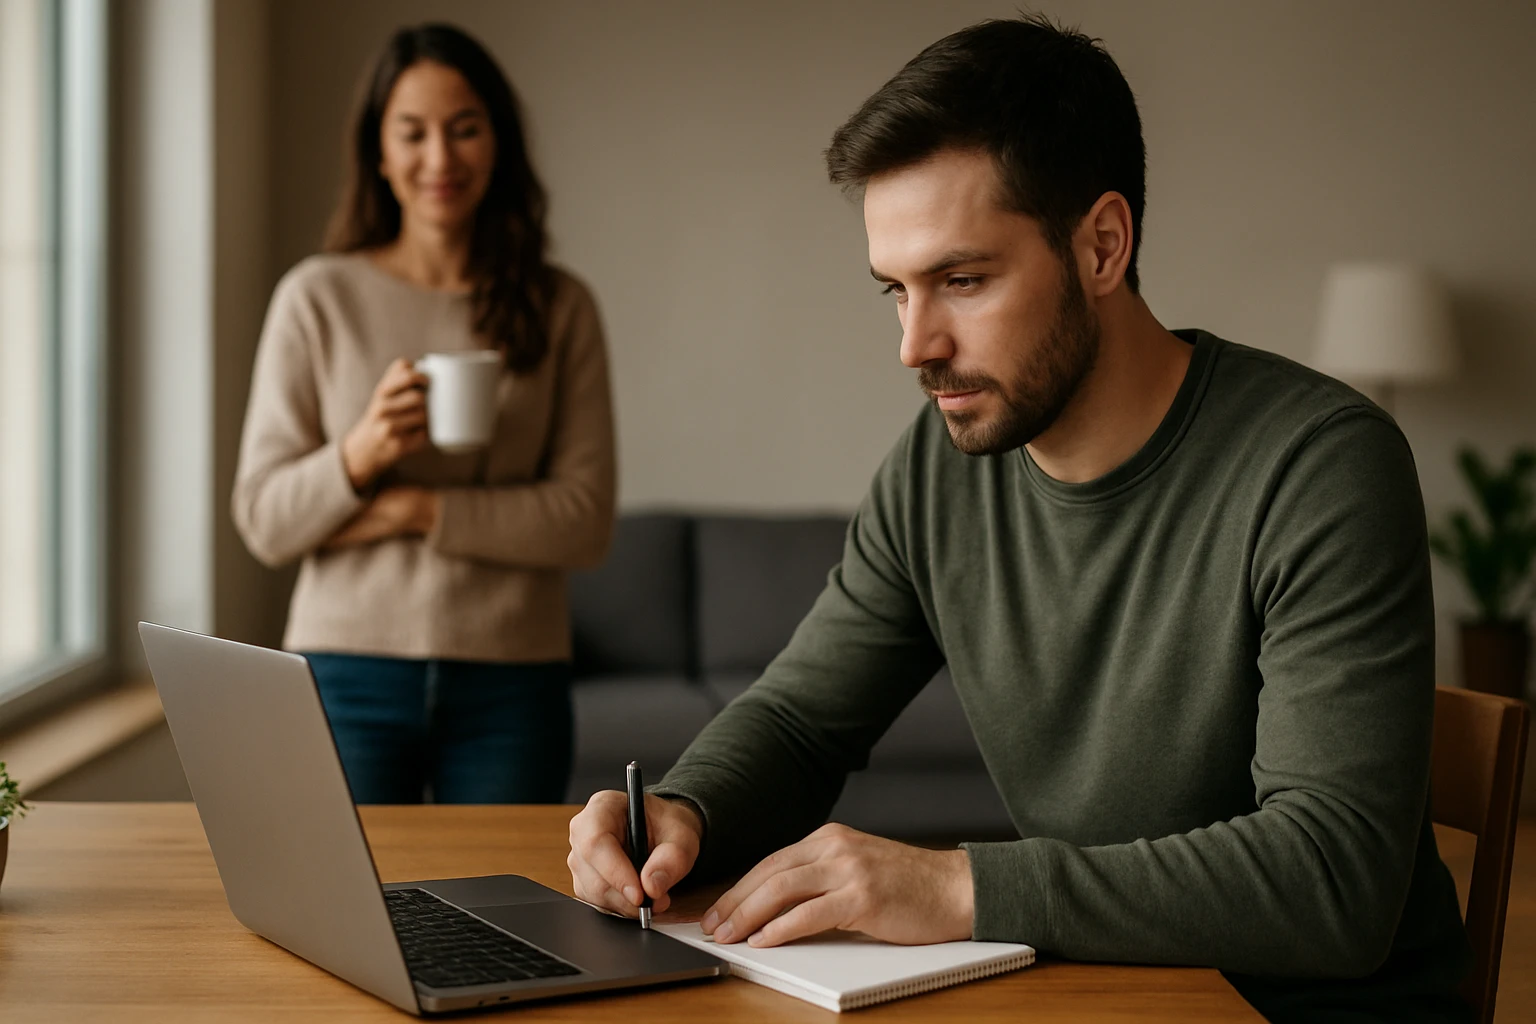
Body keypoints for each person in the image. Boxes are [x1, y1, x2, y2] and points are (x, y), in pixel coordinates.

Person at [566, 15, 1471, 1022]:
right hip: (1105, 994)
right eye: (894, 292)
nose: (915, 344)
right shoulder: (937, 470)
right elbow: (799, 717)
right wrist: (684, 812)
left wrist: (959, 887)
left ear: (1102, 244)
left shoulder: (1320, 466)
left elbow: (1333, 879)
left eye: (962, 280)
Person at [233, 24, 614, 805]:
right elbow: (266, 522)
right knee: (340, 918)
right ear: (378, 150)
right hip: (343, 671)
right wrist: (362, 453)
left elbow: (582, 521)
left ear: (498, 143)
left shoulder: (560, 304)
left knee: (505, 917)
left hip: (514, 677)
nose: (439, 159)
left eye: (464, 129)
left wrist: (410, 507)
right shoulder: (317, 297)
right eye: (412, 132)